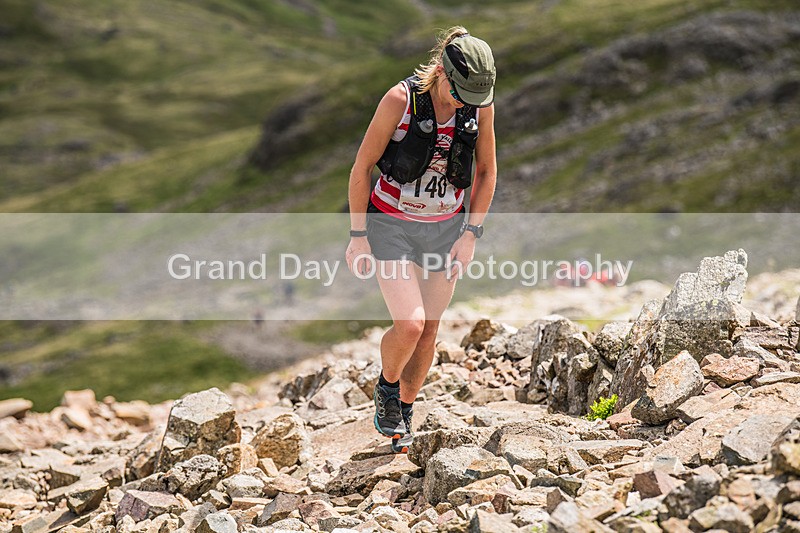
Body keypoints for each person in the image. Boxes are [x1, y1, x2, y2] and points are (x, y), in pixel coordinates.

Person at [345, 27, 497, 453]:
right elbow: (362, 167)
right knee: (409, 324)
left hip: (446, 229)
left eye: (477, 97)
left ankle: (402, 416)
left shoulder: (479, 106)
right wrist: (358, 236)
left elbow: (486, 173)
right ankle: (387, 388)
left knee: (429, 328)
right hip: (390, 224)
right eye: (462, 92)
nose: (470, 103)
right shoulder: (401, 100)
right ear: (443, 74)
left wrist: (471, 233)